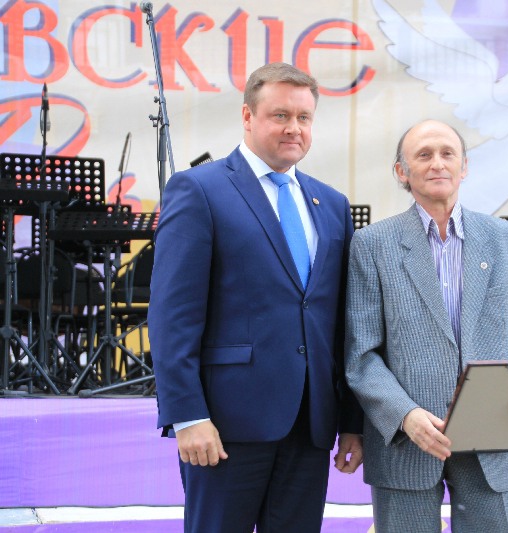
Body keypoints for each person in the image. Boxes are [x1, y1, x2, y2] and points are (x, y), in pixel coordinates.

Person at [148, 62, 363, 533]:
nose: (294, 128)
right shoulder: (198, 189)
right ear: (248, 116)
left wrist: (352, 420)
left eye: (304, 118)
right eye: (280, 115)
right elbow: (172, 316)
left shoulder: (332, 205)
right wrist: (187, 415)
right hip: (225, 425)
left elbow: (342, 325)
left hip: (310, 425)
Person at [344, 119, 508, 532]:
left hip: (494, 436)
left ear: (464, 167)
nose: (437, 163)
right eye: (424, 155)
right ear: (401, 172)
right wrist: (404, 414)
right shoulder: (371, 245)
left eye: (447, 153)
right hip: (405, 442)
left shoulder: (507, 241)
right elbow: (361, 354)